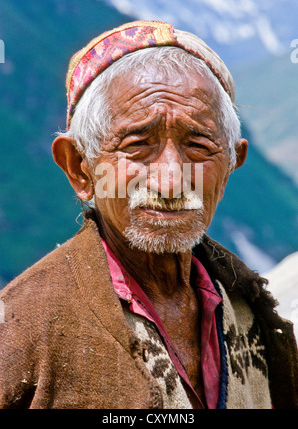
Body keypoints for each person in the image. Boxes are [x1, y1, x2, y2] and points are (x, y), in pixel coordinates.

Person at [0, 21, 297, 410]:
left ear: (231, 165)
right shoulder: (20, 331)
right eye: (138, 144)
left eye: (198, 144)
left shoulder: (253, 315)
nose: (172, 180)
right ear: (79, 167)